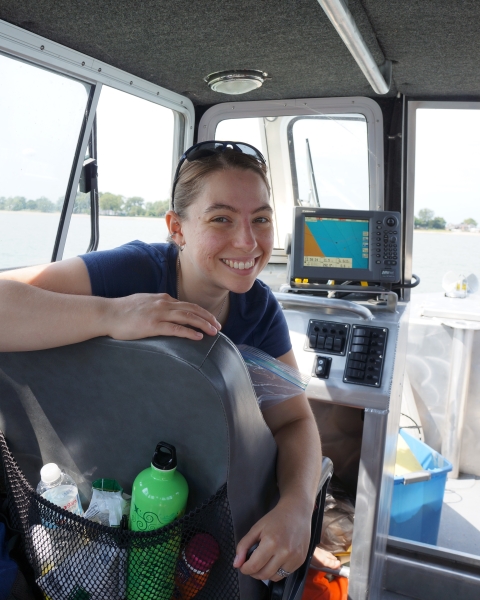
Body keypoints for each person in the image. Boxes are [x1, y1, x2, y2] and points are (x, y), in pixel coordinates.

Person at [0, 141, 340, 579]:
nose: (248, 241)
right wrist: (113, 313)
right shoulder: (133, 272)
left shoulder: (258, 309)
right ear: (177, 228)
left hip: (198, 514)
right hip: (92, 498)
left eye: (261, 219)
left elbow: (294, 420)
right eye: (221, 218)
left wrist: (297, 506)